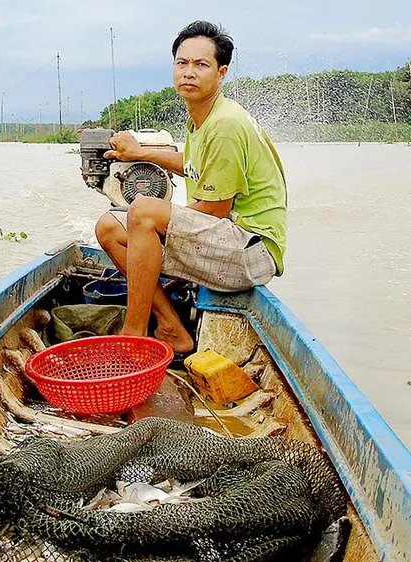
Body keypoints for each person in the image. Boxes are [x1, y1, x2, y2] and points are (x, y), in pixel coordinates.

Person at [94, 20, 287, 355]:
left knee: (143, 214)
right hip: (230, 240)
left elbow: (215, 212)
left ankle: (133, 334)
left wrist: (151, 228)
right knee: (109, 227)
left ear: (221, 73)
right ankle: (170, 327)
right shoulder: (203, 117)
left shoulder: (225, 125)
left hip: (252, 251)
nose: (189, 72)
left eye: (201, 65)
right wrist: (141, 153)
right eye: (182, 63)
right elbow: (194, 163)